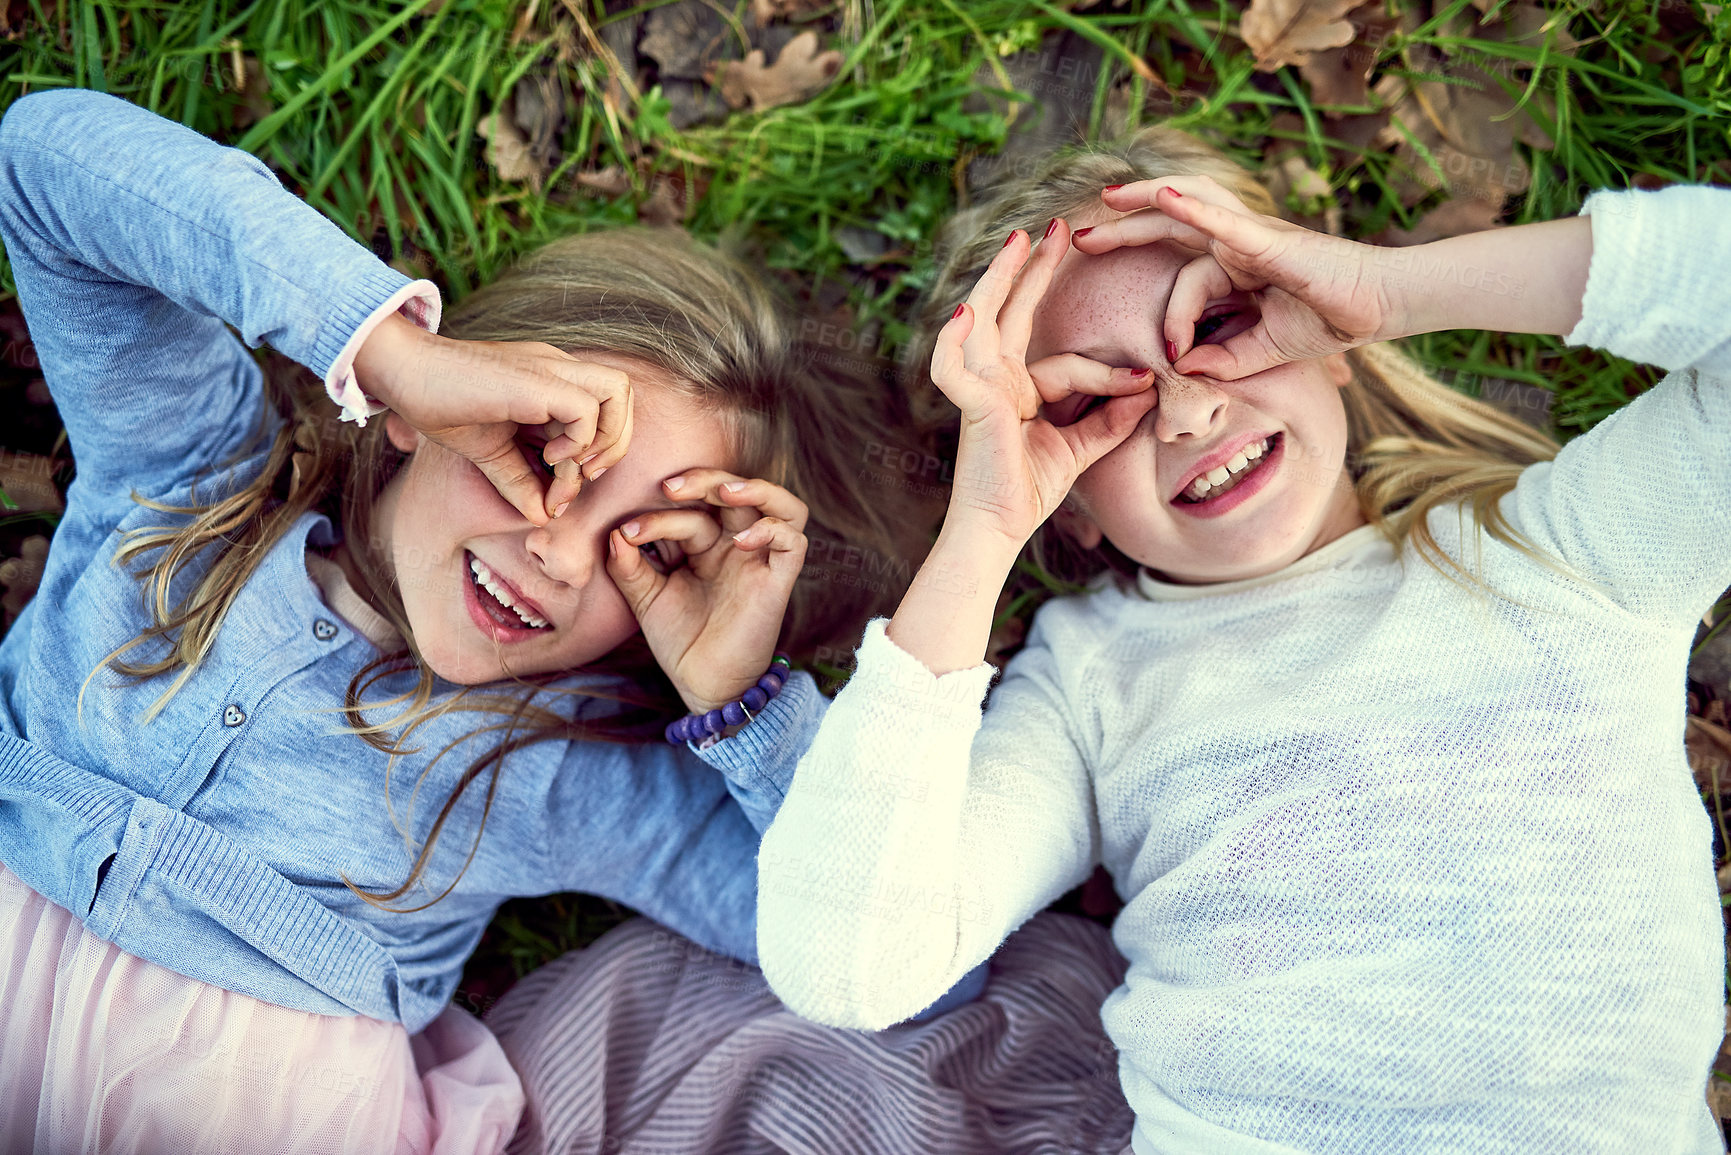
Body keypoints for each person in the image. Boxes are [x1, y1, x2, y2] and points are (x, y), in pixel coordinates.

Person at [744, 123, 1726, 1152]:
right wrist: (985, 528)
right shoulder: (1089, 683)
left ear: (1327, 341)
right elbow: (848, 965)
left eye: (1216, 325)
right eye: (1092, 402)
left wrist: (1393, 291)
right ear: (1067, 508)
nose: (1186, 413)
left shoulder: (1562, 558)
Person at [0, 87, 925, 1153]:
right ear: (454, 409)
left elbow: (883, 961)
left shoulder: (560, 771)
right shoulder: (188, 483)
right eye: (549, 462)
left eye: (656, 552)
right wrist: (387, 348)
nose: (565, 556)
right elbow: (41, 159)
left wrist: (741, 709)